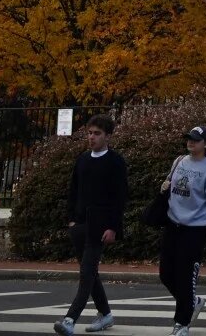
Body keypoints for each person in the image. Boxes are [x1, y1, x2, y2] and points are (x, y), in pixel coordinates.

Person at [54, 115, 129, 335]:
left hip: (100, 226)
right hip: (79, 224)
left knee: (87, 273)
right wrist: (71, 219)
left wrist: (113, 227)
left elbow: (119, 198)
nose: (92, 137)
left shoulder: (115, 162)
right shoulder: (83, 160)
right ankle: (105, 314)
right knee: (90, 272)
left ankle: (70, 319)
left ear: (108, 136)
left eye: (97, 133)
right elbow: (73, 191)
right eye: (89, 133)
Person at [160, 125, 206, 336]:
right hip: (172, 224)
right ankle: (193, 302)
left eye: (195, 139)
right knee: (166, 274)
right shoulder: (179, 161)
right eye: (188, 138)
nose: (190, 142)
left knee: (185, 277)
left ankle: (181, 323)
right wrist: (165, 186)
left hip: (195, 229)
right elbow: (170, 186)